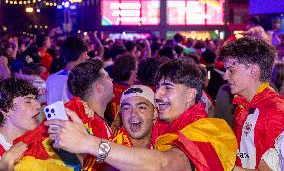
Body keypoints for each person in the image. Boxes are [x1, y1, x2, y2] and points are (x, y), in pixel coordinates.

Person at [46, 58, 237, 171]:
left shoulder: (209, 130)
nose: (159, 95)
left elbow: (164, 164)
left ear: (190, 95)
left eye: (167, 87)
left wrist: (88, 142)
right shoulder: (161, 128)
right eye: (158, 87)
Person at [217, 37, 284, 170]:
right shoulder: (244, 106)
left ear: (253, 70)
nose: (225, 76)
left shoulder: (276, 113)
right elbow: (243, 157)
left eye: (231, 70)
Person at [46, 36, 89, 105]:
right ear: (82, 55)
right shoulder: (83, 80)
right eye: (86, 54)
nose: (88, 57)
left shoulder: (51, 78)